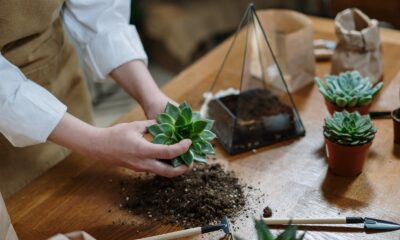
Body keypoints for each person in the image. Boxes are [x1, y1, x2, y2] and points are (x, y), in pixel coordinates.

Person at [0, 1, 193, 237]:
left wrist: (151, 96)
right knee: (31, 217)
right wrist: (94, 141)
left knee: (82, 195)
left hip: (55, 73)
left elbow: (99, 11)